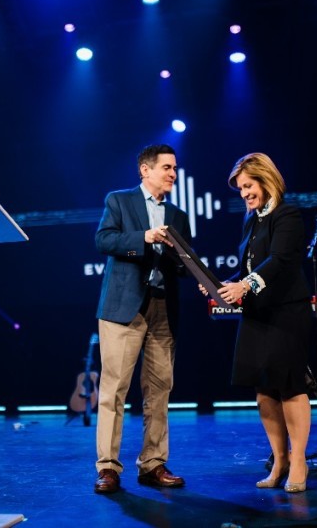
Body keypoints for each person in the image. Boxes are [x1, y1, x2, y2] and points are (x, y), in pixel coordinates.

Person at [203, 152, 312, 493]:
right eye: (240, 188)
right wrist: (221, 285)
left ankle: (298, 461)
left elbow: (279, 261)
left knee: (290, 385)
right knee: (264, 391)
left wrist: (245, 285)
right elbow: (249, 268)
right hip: (257, 314)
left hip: (286, 312)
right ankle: (278, 459)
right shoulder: (251, 220)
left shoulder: (287, 214)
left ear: (266, 180)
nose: (244, 194)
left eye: (248, 186)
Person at [93, 143, 192, 494]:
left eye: (175, 168)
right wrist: (144, 238)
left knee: (160, 390)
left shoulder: (178, 215)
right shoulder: (119, 201)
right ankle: (108, 468)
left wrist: (181, 256)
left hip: (163, 308)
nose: (173, 174)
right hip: (124, 309)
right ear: (145, 170)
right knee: (114, 390)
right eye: (167, 167)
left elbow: (186, 263)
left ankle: (153, 464)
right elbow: (103, 240)